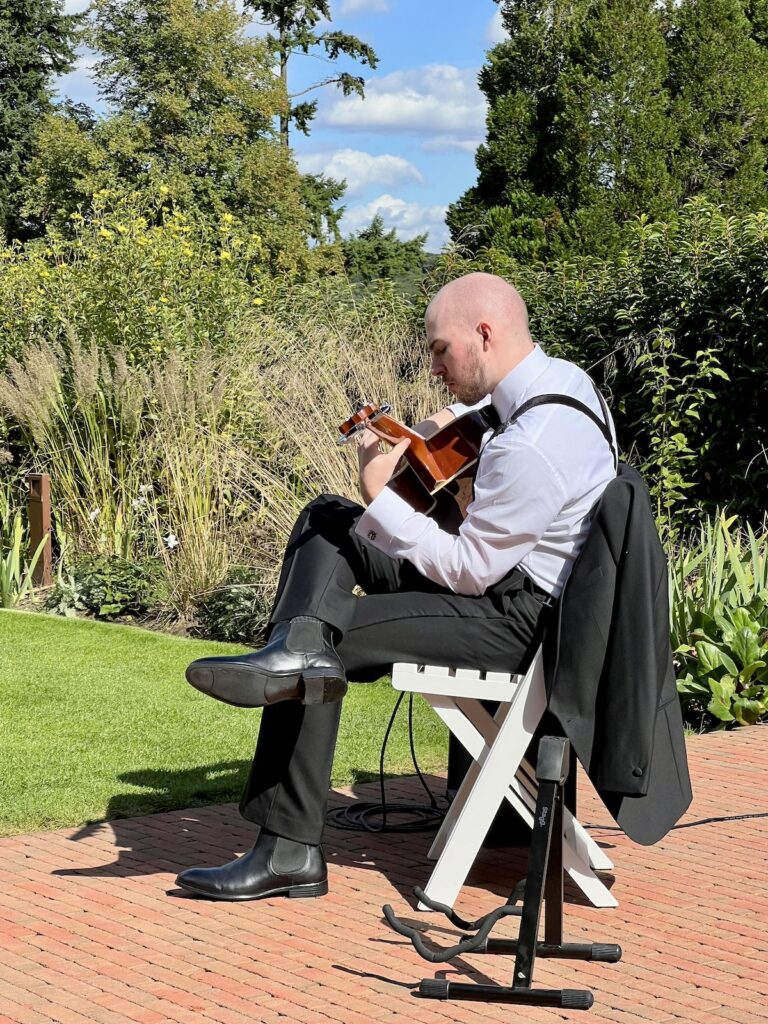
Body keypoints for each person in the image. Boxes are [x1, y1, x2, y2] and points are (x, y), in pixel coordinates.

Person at [175, 271, 618, 902]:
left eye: (440, 349)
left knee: (320, 644)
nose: (433, 365)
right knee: (328, 520)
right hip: (505, 588)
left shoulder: (535, 444)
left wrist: (382, 496)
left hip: (518, 620)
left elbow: (472, 569)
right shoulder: (562, 383)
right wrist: (433, 426)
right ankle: (292, 654)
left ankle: (288, 849)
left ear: (485, 335)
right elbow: (477, 418)